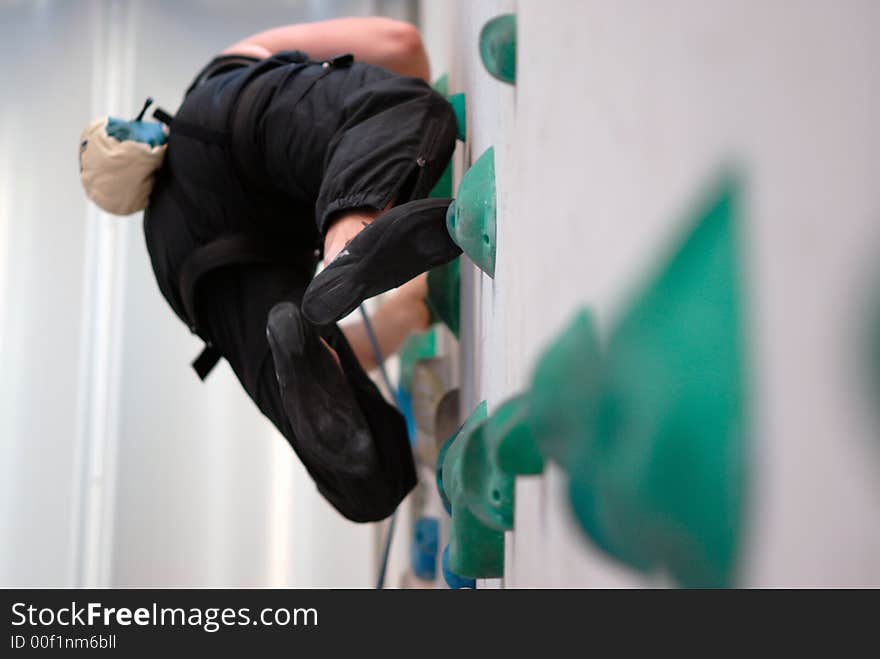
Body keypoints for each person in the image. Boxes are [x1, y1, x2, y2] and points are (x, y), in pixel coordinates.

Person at [78, 17, 462, 522]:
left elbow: (314, 351)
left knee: (360, 465)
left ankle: (365, 476)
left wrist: (401, 317)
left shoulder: (164, 251)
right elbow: (400, 42)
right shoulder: (212, 87)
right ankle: (350, 231)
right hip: (220, 129)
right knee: (395, 110)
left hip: (196, 268)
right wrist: (410, 88)